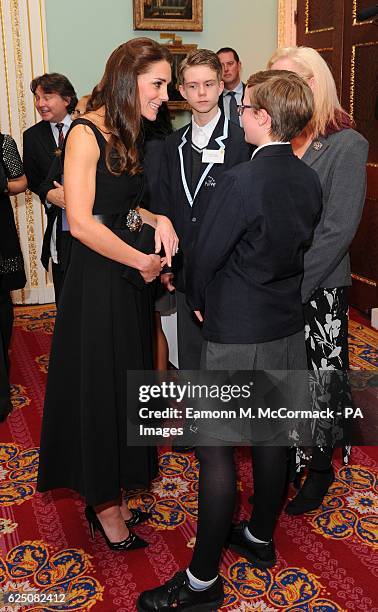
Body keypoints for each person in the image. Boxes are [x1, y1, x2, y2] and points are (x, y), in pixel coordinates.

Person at [137, 70, 322, 611]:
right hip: (285, 324)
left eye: (245, 109)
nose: (238, 114)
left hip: (236, 329)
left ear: (263, 118)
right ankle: (260, 538)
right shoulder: (307, 177)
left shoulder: (242, 179)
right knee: (270, 437)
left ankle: (200, 583)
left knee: (215, 456)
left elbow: (207, 252)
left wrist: (194, 295)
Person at [37, 37, 178, 552]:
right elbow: (80, 222)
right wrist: (140, 260)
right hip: (99, 284)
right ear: (128, 78)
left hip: (127, 286)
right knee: (101, 389)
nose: (166, 94)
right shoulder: (84, 134)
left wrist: (157, 217)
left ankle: (113, 495)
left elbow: (121, 209)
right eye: (158, 83)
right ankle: (104, 505)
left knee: (124, 387)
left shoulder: (128, 130)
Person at [268, 46, 369, 514]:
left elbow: (337, 230)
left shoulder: (346, 142)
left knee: (323, 378)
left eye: (289, 79)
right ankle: (290, 454)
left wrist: (296, 283)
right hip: (275, 282)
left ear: (314, 83)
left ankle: (321, 467)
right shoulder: (273, 137)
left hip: (320, 283)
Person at [157, 49, 251, 371]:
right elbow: (167, 203)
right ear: (181, 91)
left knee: (227, 362)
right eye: (192, 86)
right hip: (186, 270)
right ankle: (197, 421)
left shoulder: (241, 142)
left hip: (228, 273)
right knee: (192, 358)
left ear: (221, 86)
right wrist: (168, 264)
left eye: (209, 84)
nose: (201, 93)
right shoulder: (173, 143)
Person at [23, 73, 78, 303]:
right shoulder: (32, 136)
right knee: (64, 292)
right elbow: (33, 180)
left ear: (66, 99)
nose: (40, 104)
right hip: (58, 224)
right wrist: (49, 194)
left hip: (94, 221)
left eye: (47, 97)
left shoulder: (84, 126)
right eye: (37, 98)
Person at [0, 134, 27, 421]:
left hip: (1, 231)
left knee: (2, 303)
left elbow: (22, 181)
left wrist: (2, 185)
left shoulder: (3, 142)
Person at [217, 47, 245, 127]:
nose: (226, 69)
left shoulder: (253, 94)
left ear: (239, 65)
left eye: (230, 64)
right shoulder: (214, 98)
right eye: (221, 65)